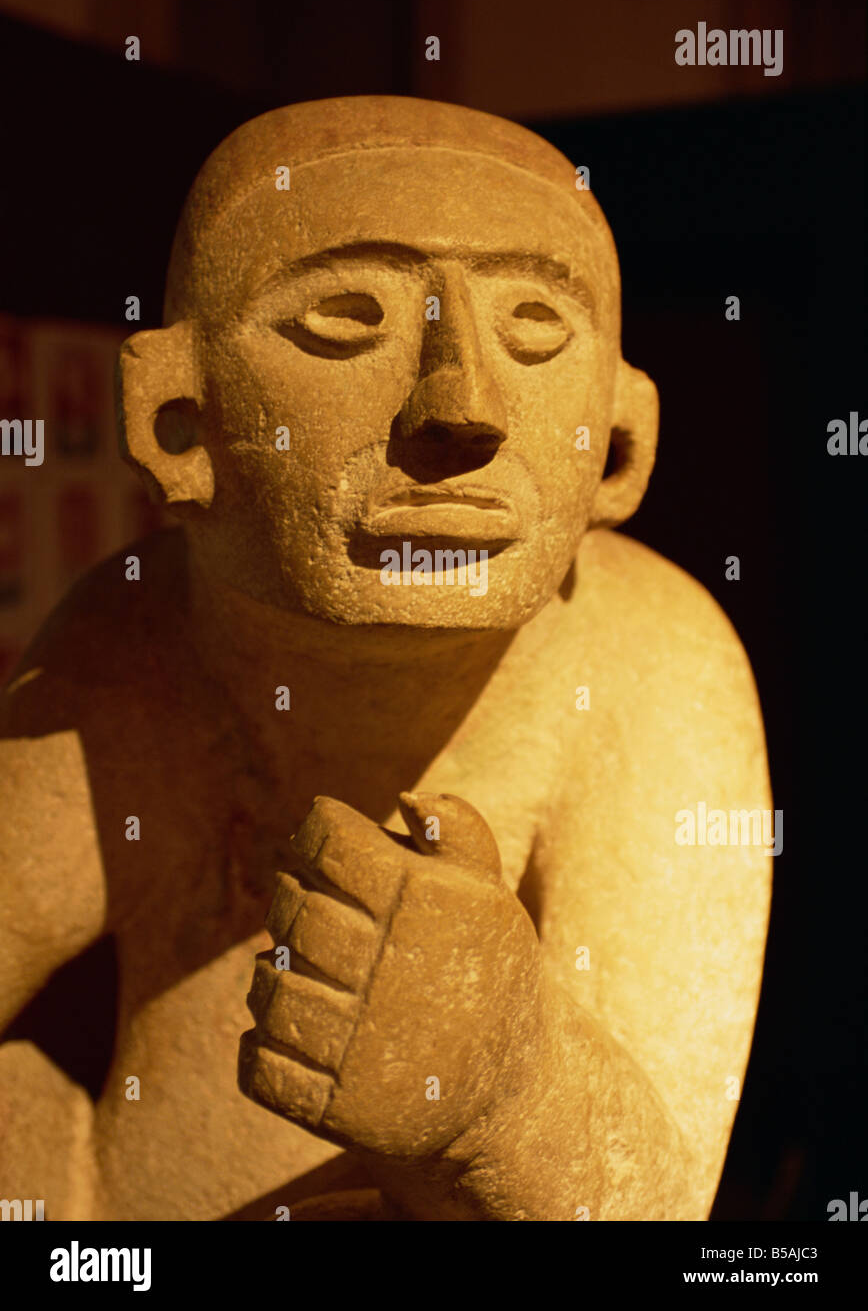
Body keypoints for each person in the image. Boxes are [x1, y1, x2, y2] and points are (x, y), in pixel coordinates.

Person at [0, 97, 771, 1220]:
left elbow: (656, 1206)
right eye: (346, 320)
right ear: (178, 420)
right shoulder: (130, 649)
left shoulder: (654, 665)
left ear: (618, 443)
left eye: (535, 329)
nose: (461, 406)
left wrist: (513, 1090)